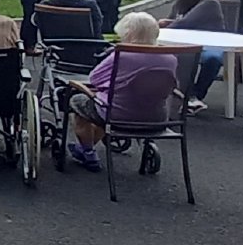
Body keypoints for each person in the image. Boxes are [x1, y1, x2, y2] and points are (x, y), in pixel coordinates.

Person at [63, 11, 182, 172]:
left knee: (79, 102)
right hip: (157, 118)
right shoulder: (170, 59)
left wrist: (111, 84)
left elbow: (94, 79)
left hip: (117, 115)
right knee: (101, 107)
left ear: (128, 34)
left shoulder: (122, 55)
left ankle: (88, 151)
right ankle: (87, 147)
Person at [159, 0, 226, 112]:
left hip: (210, 42)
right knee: (182, 55)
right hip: (185, 42)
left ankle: (195, 94)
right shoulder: (180, 4)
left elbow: (184, 23)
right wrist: (167, 22)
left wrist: (160, 28)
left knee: (212, 58)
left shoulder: (209, 3)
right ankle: (185, 95)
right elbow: (177, 21)